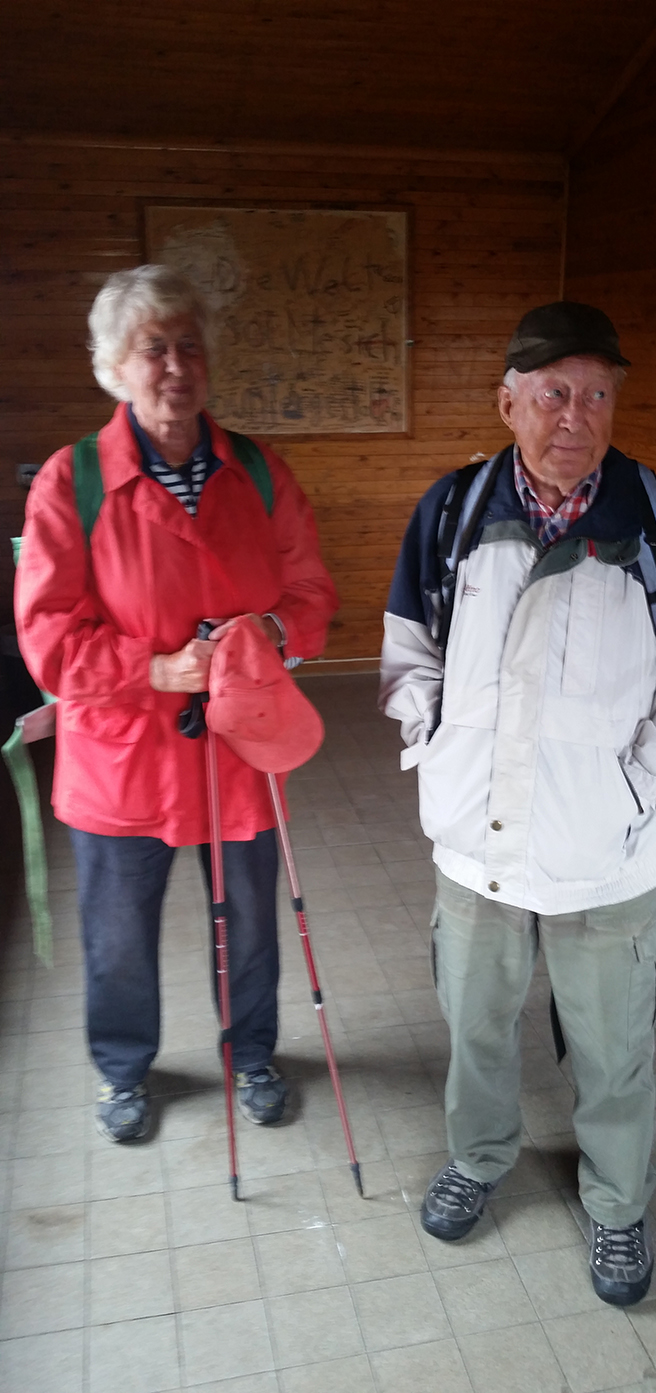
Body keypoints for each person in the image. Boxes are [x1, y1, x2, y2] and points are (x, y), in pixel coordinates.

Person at [380, 301, 656, 1306]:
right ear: (508, 403)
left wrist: (631, 794)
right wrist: (436, 744)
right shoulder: (452, 510)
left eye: (595, 393)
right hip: (476, 844)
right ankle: (478, 1155)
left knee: (615, 1049)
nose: (574, 415)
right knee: (476, 1026)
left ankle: (618, 1204)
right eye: (552, 393)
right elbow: (408, 651)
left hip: (609, 853)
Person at [16, 265, 338, 1143]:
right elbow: (46, 634)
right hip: (121, 757)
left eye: (188, 346)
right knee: (118, 933)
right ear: (113, 366)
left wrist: (268, 631)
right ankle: (124, 1070)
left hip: (240, 745)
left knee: (250, 924)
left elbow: (311, 593)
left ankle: (254, 1053)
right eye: (152, 348)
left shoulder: (258, 472)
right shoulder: (71, 481)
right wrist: (153, 669)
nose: (174, 367)